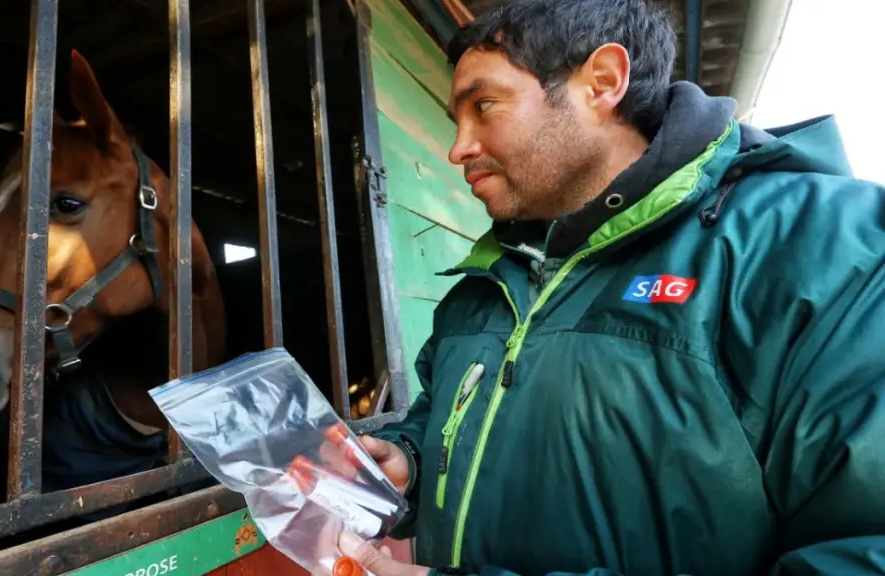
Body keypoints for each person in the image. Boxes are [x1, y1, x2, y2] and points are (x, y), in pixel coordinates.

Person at [324, 0, 885, 574]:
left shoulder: (820, 249)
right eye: (455, 121)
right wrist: (410, 459)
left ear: (602, 83)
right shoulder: (485, 286)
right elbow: (447, 411)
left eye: (484, 106)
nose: (458, 148)